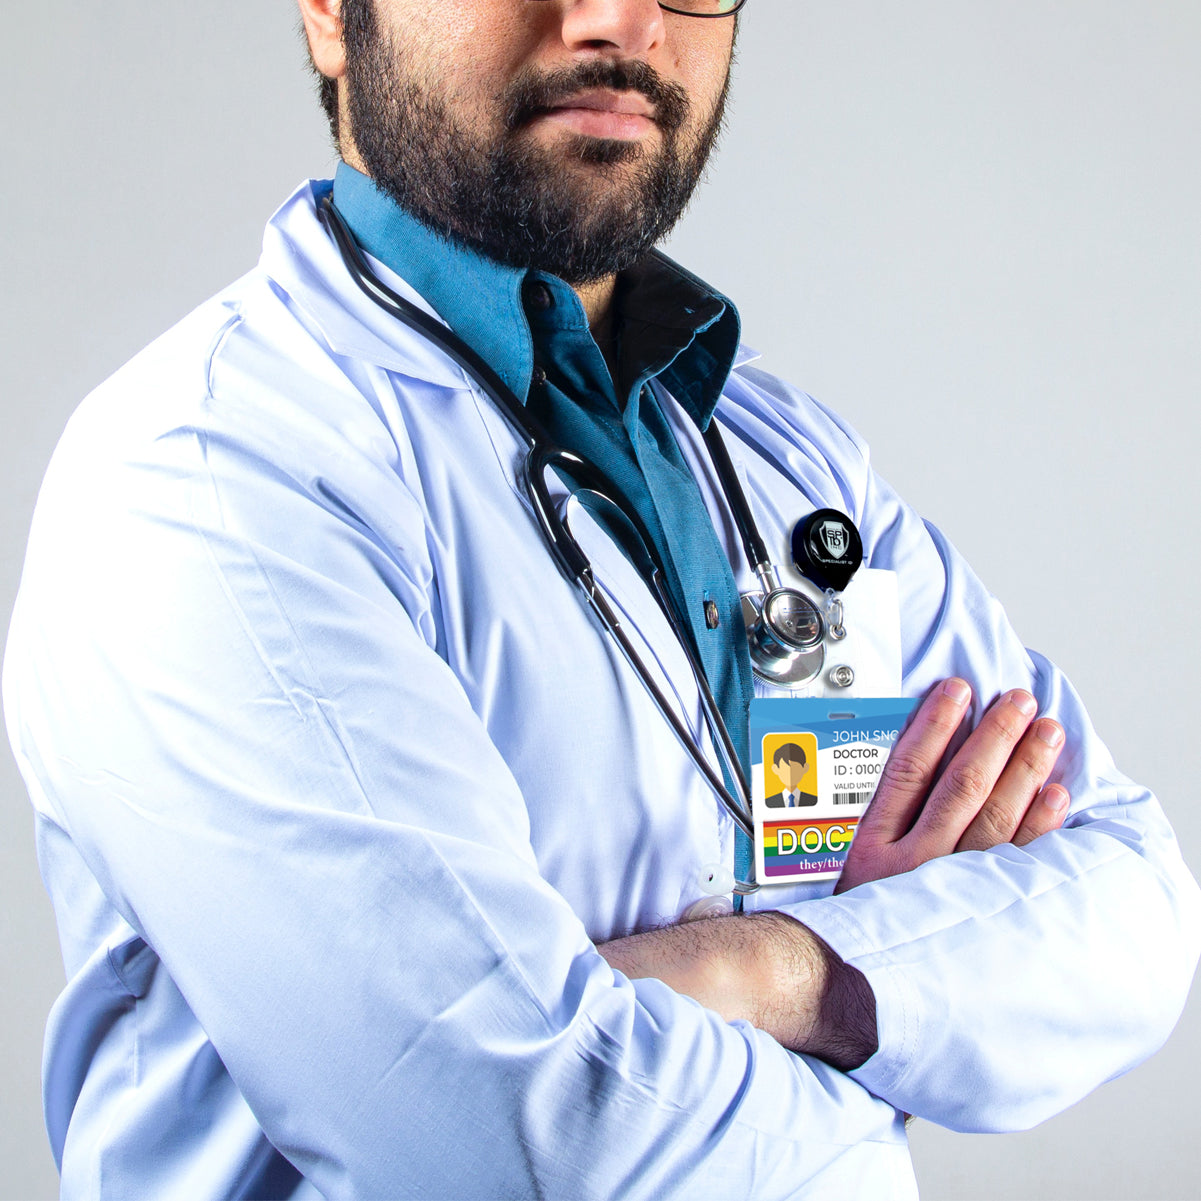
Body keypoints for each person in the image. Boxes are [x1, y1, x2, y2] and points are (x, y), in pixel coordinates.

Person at [4, 1, 1199, 1197]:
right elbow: (525, 1139)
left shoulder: (786, 463)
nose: (619, 18)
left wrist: (771, 971)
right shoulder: (209, 476)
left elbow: (1134, 905)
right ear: (330, 12)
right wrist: (905, 1017)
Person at [764, 742, 818, 808]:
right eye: (785, 769)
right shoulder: (769, 802)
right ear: (775, 769)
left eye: (795, 769)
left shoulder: (813, 800)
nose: (790, 774)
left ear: (805, 768)